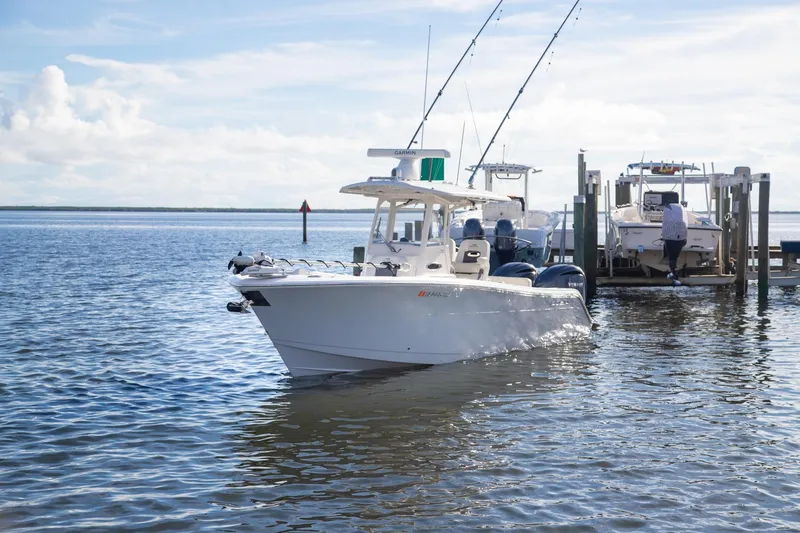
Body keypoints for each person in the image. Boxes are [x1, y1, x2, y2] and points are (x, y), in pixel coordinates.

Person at [662, 202, 688, 284]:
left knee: (672, 258)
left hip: (670, 239)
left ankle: (673, 272)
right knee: (673, 258)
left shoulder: (668, 211)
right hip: (678, 238)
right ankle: (673, 273)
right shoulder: (679, 211)